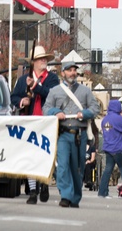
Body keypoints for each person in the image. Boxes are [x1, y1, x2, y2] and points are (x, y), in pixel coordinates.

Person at [43, 56, 100, 208]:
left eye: (74, 70)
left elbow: (95, 109)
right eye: (69, 70)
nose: (73, 73)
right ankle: (66, 195)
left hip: (79, 135)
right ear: (63, 73)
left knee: (78, 167)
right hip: (62, 133)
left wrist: (85, 114)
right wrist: (56, 112)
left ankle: (75, 197)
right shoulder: (54, 91)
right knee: (62, 166)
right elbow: (46, 109)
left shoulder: (85, 91)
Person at [11, 45, 59, 204]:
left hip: (46, 122)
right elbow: (13, 97)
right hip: (29, 121)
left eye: (45, 58)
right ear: (34, 62)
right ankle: (32, 191)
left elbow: (52, 95)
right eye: (40, 58)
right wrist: (21, 101)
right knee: (30, 157)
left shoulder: (52, 78)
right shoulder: (23, 79)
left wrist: (35, 87)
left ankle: (44, 184)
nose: (44, 60)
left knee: (45, 155)